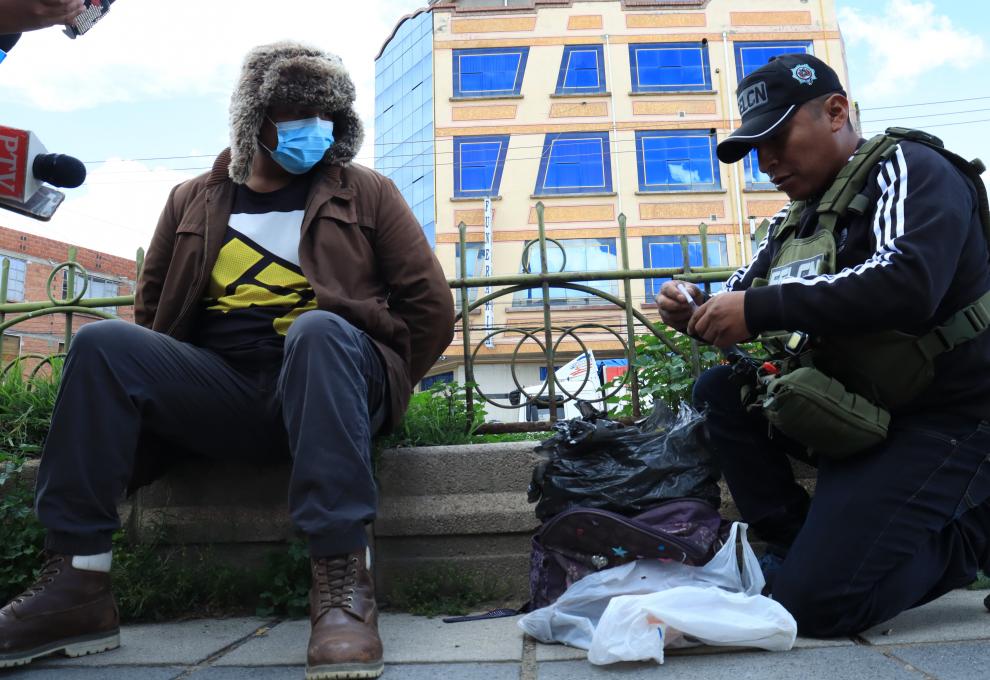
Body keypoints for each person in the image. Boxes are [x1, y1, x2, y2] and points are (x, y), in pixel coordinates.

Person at [0, 41, 454, 679]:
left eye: (325, 116)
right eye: (296, 116)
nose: (313, 130)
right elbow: (153, 307)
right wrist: (173, 390)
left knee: (319, 330)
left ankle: (343, 586)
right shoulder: (194, 199)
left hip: (332, 378)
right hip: (228, 391)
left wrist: (384, 383)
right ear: (254, 122)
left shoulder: (365, 192)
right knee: (103, 344)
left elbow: (430, 306)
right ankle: (76, 588)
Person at [656, 53, 990, 636]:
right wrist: (693, 307)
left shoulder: (911, 167)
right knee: (721, 391)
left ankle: (973, 537)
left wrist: (756, 308)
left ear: (836, 112)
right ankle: (800, 543)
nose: (767, 163)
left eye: (778, 138)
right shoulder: (798, 218)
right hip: (868, 411)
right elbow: (742, 294)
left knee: (813, 609)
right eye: (754, 150)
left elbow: (908, 281)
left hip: (952, 417)